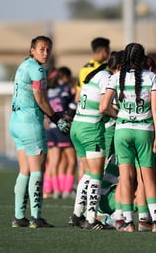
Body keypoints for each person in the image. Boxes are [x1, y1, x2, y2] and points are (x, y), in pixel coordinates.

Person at [10, 35, 71, 228]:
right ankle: (36, 217)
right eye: (42, 49)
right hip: (30, 124)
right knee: (38, 171)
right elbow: (40, 98)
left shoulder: (24, 65)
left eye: (48, 49)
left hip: (16, 123)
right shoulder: (38, 69)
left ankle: (19, 217)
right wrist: (55, 118)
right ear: (32, 50)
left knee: (24, 171)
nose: (45, 53)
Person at [100, 42, 156, 232]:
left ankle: (128, 222)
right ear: (142, 58)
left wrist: (118, 114)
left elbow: (103, 106)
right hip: (145, 130)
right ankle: (155, 222)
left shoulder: (116, 77)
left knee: (125, 177)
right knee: (148, 178)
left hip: (123, 130)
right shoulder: (151, 77)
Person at [68, 61, 112, 230]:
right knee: (96, 174)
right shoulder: (108, 78)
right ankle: (91, 218)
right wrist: (119, 114)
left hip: (77, 126)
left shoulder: (95, 75)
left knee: (87, 173)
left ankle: (77, 215)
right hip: (90, 129)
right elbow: (104, 107)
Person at [74, 37, 110, 180]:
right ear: (104, 51)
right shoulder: (103, 71)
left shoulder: (84, 69)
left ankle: (81, 194)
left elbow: (77, 96)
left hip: (81, 119)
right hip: (96, 120)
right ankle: (95, 195)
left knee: (84, 164)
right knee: (97, 164)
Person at [44, 66, 77, 199]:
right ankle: (65, 189)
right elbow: (73, 103)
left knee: (54, 161)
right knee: (71, 160)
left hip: (51, 127)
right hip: (61, 126)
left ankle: (51, 188)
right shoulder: (65, 89)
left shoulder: (49, 90)